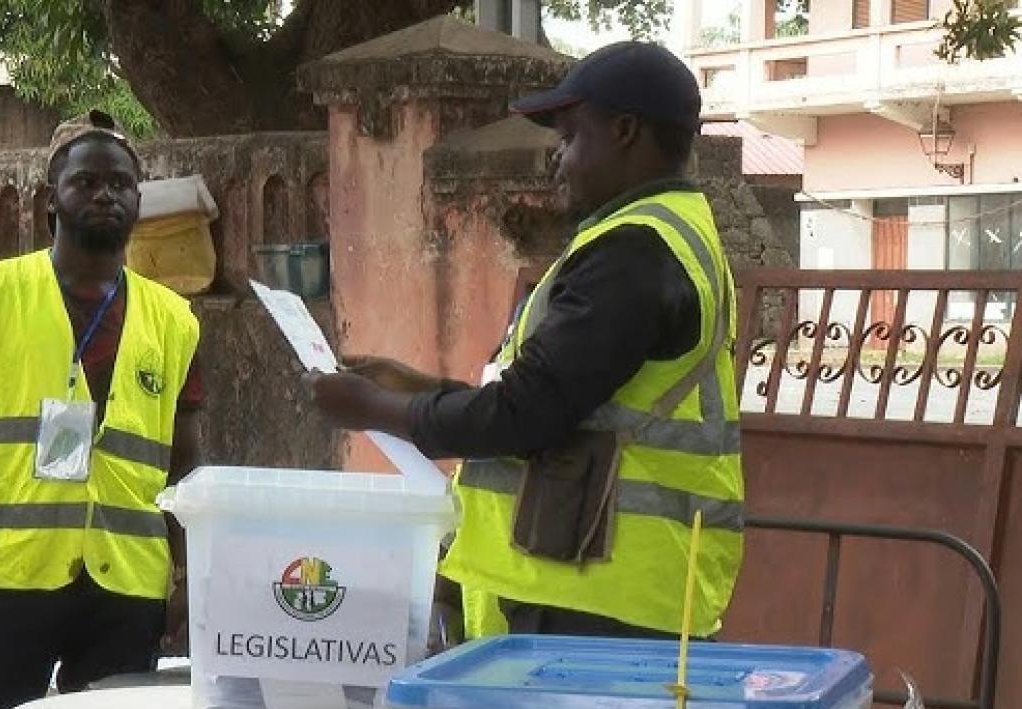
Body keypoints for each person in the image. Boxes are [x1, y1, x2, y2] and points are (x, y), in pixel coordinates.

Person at [307, 41, 744, 643]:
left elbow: (525, 413)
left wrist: (375, 411)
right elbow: (566, 401)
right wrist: (421, 388)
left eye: (569, 137)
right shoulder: (657, 237)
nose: (556, 159)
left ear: (624, 131)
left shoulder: (634, 251)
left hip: (599, 599)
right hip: (602, 586)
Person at [0, 110, 203, 709]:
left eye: (122, 183)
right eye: (87, 182)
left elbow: (187, 457)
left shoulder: (175, 319)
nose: (107, 195)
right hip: (14, 579)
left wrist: (191, 573)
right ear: (52, 197)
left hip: (128, 586)